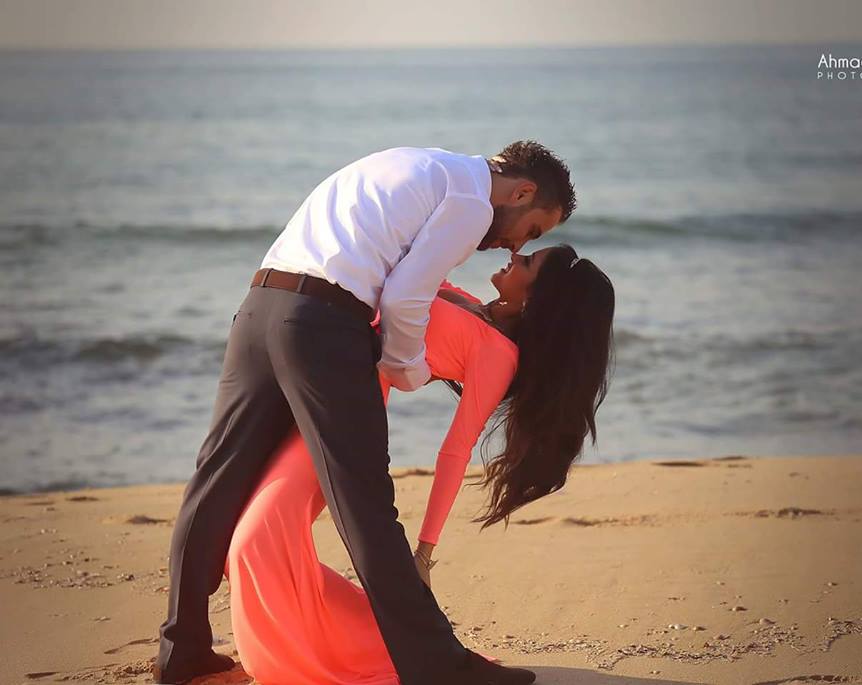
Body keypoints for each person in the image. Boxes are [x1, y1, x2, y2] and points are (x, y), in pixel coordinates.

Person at [154, 142, 577, 685]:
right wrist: (409, 367)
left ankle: (182, 653)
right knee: (366, 506)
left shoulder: (415, 162)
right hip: (322, 326)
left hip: (260, 306)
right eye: (532, 229)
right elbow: (403, 298)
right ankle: (439, 668)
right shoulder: (471, 202)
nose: (516, 244)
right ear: (521, 192)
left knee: (216, 480)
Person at [225, 244, 615, 684]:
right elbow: (417, 265)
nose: (513, 255)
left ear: (536, 298)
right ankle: (364, 642)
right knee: (250, 536)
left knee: (253, 541)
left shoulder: (499, 355)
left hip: (344, 414)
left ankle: (347, 654)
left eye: (526, 262)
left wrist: (424, 551)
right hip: (311, 379)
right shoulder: (470, 304)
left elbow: (455, 451)